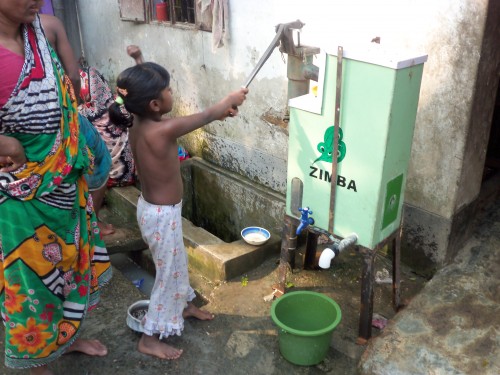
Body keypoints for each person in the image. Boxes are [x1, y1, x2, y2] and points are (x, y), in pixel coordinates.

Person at [108, 45, 248, 360]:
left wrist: (139, 62)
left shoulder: (139, 119)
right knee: (167, 274)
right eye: (169, 89)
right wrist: (229, 101)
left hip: (157, 212)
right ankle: (150, 335)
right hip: (161, 216)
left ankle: (184, 306)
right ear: (156, 103)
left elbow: (144, 93)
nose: (173, 92)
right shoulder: (163, 129)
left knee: (175, 264)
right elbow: (207, 115)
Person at [0, 2, 112, 374]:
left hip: (63, 181)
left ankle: (65, 337)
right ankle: (36, 363)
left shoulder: (39, 31)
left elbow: (71, 90)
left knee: (68, 267)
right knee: (30, 282)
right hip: (18, 195)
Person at [40, 12, 116, 235]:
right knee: (98, 159)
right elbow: (73, 75)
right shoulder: (50, 24)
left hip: (17, 130)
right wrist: (72, 109)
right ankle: (92, 224)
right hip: (60, 114)